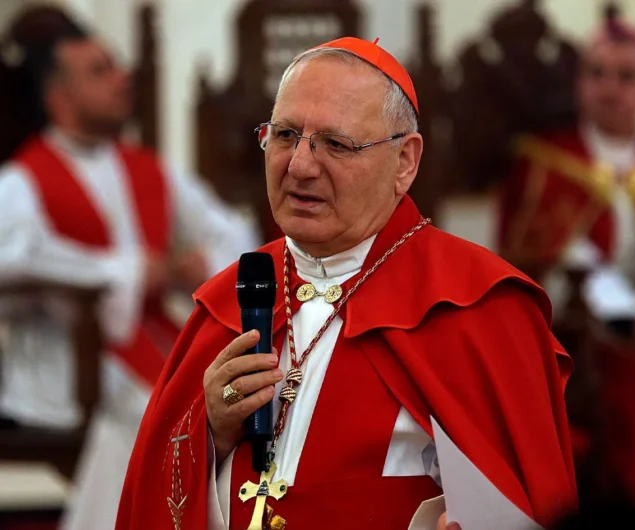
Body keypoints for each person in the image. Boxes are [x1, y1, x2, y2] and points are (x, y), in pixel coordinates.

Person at [117, 37, 577, 530]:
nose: (299, 166)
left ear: (404, 162)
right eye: (285, 135)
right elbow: (149, 500)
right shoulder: (226, 304)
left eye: (336, 144)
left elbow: (530, 507)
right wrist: (210, 434)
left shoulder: (481, 309)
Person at [0, 20, 260, 530]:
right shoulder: (21, 179)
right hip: (63, 365)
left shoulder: (147, 168)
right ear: (57, 94)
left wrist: (202, 263)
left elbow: (233, 232)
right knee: (156, 413)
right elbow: (12, 257)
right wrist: (124, 270)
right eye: (100, 70)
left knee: (226, 397)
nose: (122, 78)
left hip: (150, 341)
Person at [498, 5, 635, 524]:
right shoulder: (544, 162)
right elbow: (556, 267)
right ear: (579, 85)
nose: (610, 88)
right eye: (596, 73)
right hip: (587, 339)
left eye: (626, 76)